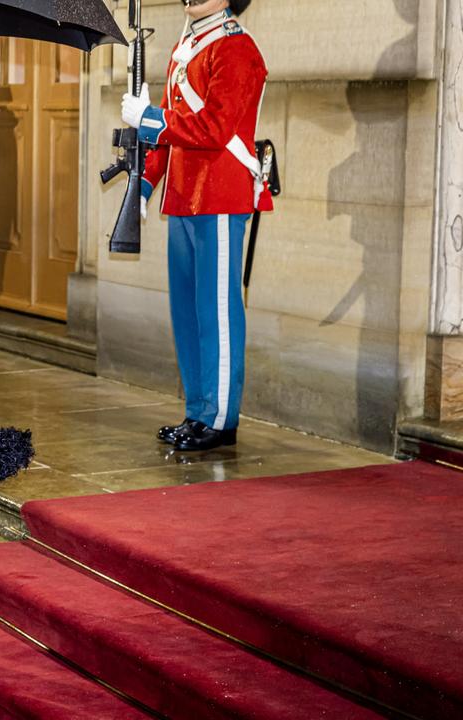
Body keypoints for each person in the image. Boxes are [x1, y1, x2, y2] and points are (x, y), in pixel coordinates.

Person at [121, 0, 267, 451]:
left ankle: (221, 418)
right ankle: (199, 411)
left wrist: (149, 118)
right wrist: (142, 188)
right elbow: (168, 134)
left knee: (217, 312)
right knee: (187, 311)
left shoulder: (236, 49)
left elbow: (213, 128)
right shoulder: (188, 45)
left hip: (221, 194)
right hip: (184, 196)